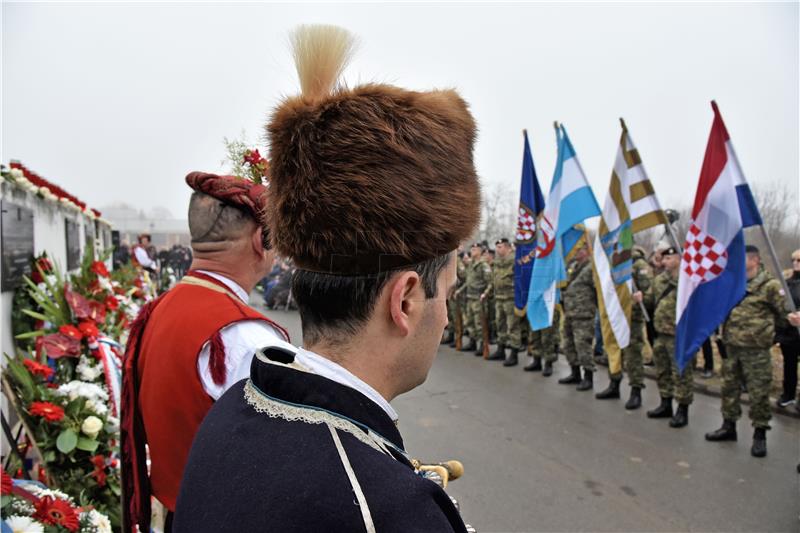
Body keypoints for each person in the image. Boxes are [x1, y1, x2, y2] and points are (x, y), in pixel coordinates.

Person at [174, 25, 480, 533]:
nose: (447, 316)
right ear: (404, 300)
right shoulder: (385, 509)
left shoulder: (235, 406)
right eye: (447, 291)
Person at [120, 171, 291, 533]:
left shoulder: (158, 309)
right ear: (261, 240)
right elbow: (283, 461)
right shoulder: (247, 336)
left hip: (176, 516)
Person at [705, 245, 788, 457]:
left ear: (754, 260)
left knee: (759, 393)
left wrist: (768, 334)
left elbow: (784, 315)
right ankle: (728, 426)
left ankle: (760, 434)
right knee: (729, 387)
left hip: (756, 350)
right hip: (732, 346)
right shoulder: (734, 283)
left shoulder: (770, 285)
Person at [595, 245, 652, 409]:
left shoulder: (638, 265)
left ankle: (636, 391)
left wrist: (640, 296)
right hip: (615, 313)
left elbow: (648, 292)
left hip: (631, 317)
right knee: (612, 350)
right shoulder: (612, 262)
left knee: (633, 354)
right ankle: (614, 384)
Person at [645, 246, 694, 428]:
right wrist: (641, 298)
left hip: (679, 335)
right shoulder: (659, 281)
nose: (664, 262)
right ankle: (665, 403)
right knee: (663, 370)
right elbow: (650, 301)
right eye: (663, 259)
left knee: (681, 373)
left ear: (680, 259)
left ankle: (682, 409)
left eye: (668, 258)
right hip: (660, 333)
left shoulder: (689, 281)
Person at [558, 245, 597, 390]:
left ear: (587, 251)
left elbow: (597, 290)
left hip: (584, 314)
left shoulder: (591, 269)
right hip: (569, 312)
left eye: (580, 250)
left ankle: (588, 377)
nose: (576, 252)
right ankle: (575, 373)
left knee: (583, 346)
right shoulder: (573, 266)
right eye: (575, 249)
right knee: (568, 344)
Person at [486, 238, 521, 365]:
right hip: (499, 297)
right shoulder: (496, 262)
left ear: (508, 247)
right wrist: (487, 292)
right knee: (500, 324)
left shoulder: (515, 260)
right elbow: (493, 280)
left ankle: (514, 354)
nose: (498, 249)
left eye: (500, 246)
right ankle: (501, 350)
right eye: (497, 247)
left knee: (512, 326)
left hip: (511, 298)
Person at [458, 243, 492, 355]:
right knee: (470, 321)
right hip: (469, 296)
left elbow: (490, 283)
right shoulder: (471, 264)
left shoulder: (483, 265)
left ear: (480, 251)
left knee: (479, 323)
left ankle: (482, 345)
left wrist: (485, 294)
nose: (472, 251)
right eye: (471, 249)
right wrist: (459, 291)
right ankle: (472, 342)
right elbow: (468, 282)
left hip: (478, 298)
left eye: (474, 249)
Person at [776, 249, 800, 408]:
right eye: (793, 260)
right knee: (789, 365)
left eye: (799, 261)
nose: (795, 263)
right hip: (788, 332)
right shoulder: (787, 280)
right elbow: (779, 302)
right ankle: (788, 394)